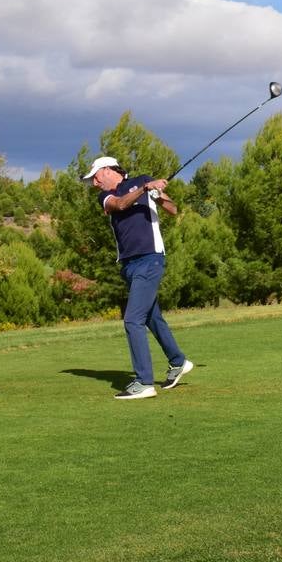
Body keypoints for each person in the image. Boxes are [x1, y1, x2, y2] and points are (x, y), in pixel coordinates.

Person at [81, 155, 194, 400]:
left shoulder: (144, 181)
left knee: (132, 320)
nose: (95, 184)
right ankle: (178, 361)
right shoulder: (106, 197)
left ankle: (144, 382)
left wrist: (158, 196)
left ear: (108, 170)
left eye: (96, 177)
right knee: (152, 318)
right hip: (129, 265)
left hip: (150, 258)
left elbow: (173, 209)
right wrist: (145, 189)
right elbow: (120, 205)